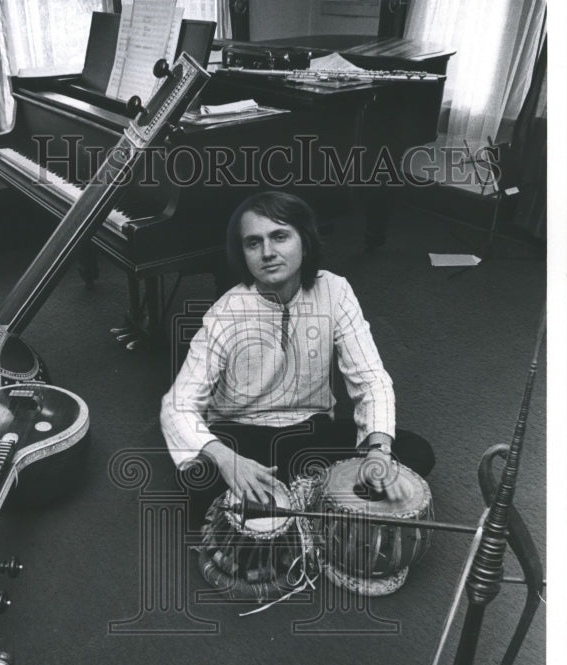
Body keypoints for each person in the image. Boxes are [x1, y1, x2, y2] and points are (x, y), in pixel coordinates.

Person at [160, 191, 434, 524]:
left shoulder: (335, 290)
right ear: (243, 253)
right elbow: (177, 405)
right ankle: (317, 499)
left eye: (279, 236)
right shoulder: (225, 313)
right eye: (253, 243)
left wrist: (378, 450)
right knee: (197, 478)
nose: (268, 252)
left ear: (304, 239)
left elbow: (371, 378)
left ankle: (285, 501)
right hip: (244, 434)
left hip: (311, 430)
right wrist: (228, 460)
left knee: (415, 451)